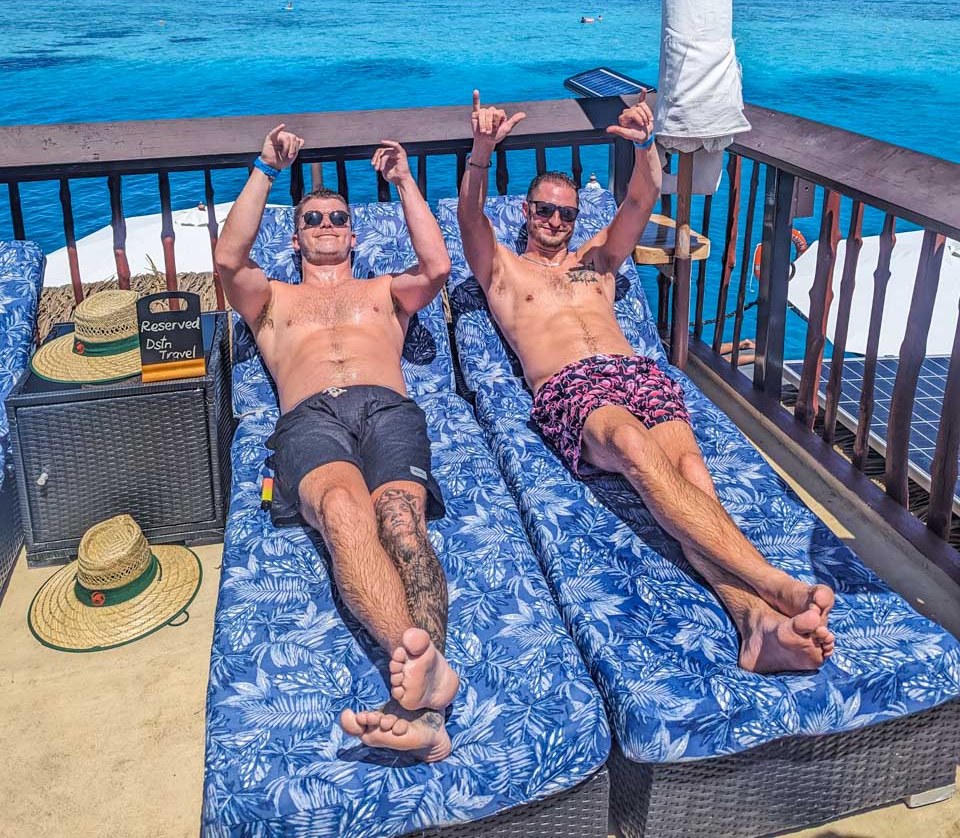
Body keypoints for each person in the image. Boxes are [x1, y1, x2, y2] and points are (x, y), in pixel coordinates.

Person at [457, 92, 835, 674]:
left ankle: (754, 622)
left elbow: (641, 197)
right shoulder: (502, 268)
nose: (554, 221)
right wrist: (482, 151)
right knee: (634, 448)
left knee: (691, 476)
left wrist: (645, 144)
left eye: (565, 214)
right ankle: (773, 582)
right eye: (542, 210)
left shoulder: (600, 260)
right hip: (570, 387)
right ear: (526, 212)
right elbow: (469, 218)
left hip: (637, 373)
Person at [216, 124, 459, 761]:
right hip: (310, 419)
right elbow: (227, 261)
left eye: (337, 217)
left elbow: (438, 265)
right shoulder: (271, 300)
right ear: (295, 236)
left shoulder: (385, 292)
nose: (326, 223)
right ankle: (424, 679)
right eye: (313, 218)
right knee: (344, 512)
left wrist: (404, 180)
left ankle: (420, 695)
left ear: (353, 234)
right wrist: (265, 168)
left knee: (401, 521)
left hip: (389, 409)